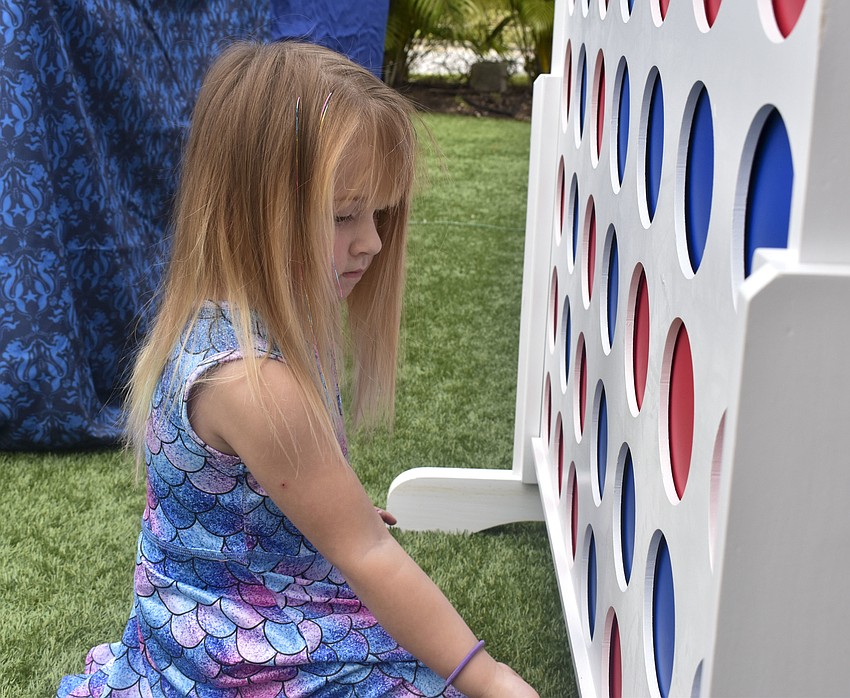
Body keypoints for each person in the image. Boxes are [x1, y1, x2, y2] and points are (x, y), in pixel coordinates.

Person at [56, 41, 539, 698]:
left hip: (203, 609)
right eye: (344, 215)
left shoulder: (230, 316)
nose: (370, 240)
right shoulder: (252, 381)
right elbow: (367, 555)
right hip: (239, 648)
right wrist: (493, 679)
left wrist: (315, 507)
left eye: (380, 213)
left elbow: (226, 499)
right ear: (249, 209)